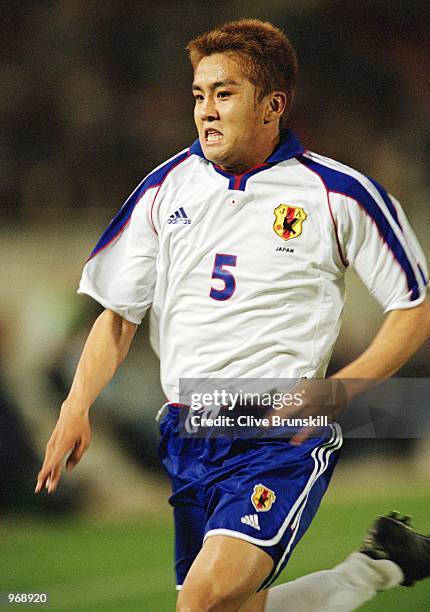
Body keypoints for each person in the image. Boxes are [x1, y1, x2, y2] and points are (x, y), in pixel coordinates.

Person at [35, 19, 430, 612]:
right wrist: (75, 406)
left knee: (200, 602)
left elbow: (413, 308)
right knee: (230, 608)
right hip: (190, 430)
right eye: (199, 95)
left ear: (273, 104)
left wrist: (343, 390)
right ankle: (374, 569)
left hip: (282, 427)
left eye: (224, 94)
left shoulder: (336, 194)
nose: (206, 111)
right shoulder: (164, 189)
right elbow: (118, 317)